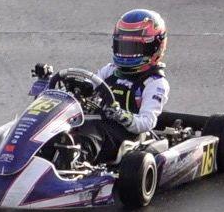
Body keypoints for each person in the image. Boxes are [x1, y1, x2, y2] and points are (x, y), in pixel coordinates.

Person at [32, 9, 170, 160]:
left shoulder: (155, 83)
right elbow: (90, 84)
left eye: (133, 48)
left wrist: (122, 115)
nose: (126, 54)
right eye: (122, 47)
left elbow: (147, 122)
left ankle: (73, 162)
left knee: (92, 131)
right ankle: (32, 158)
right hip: (97, 123)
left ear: (154, 47)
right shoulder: (110, 71)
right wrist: (74, 87)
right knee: (57, 127)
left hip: (125, 136)